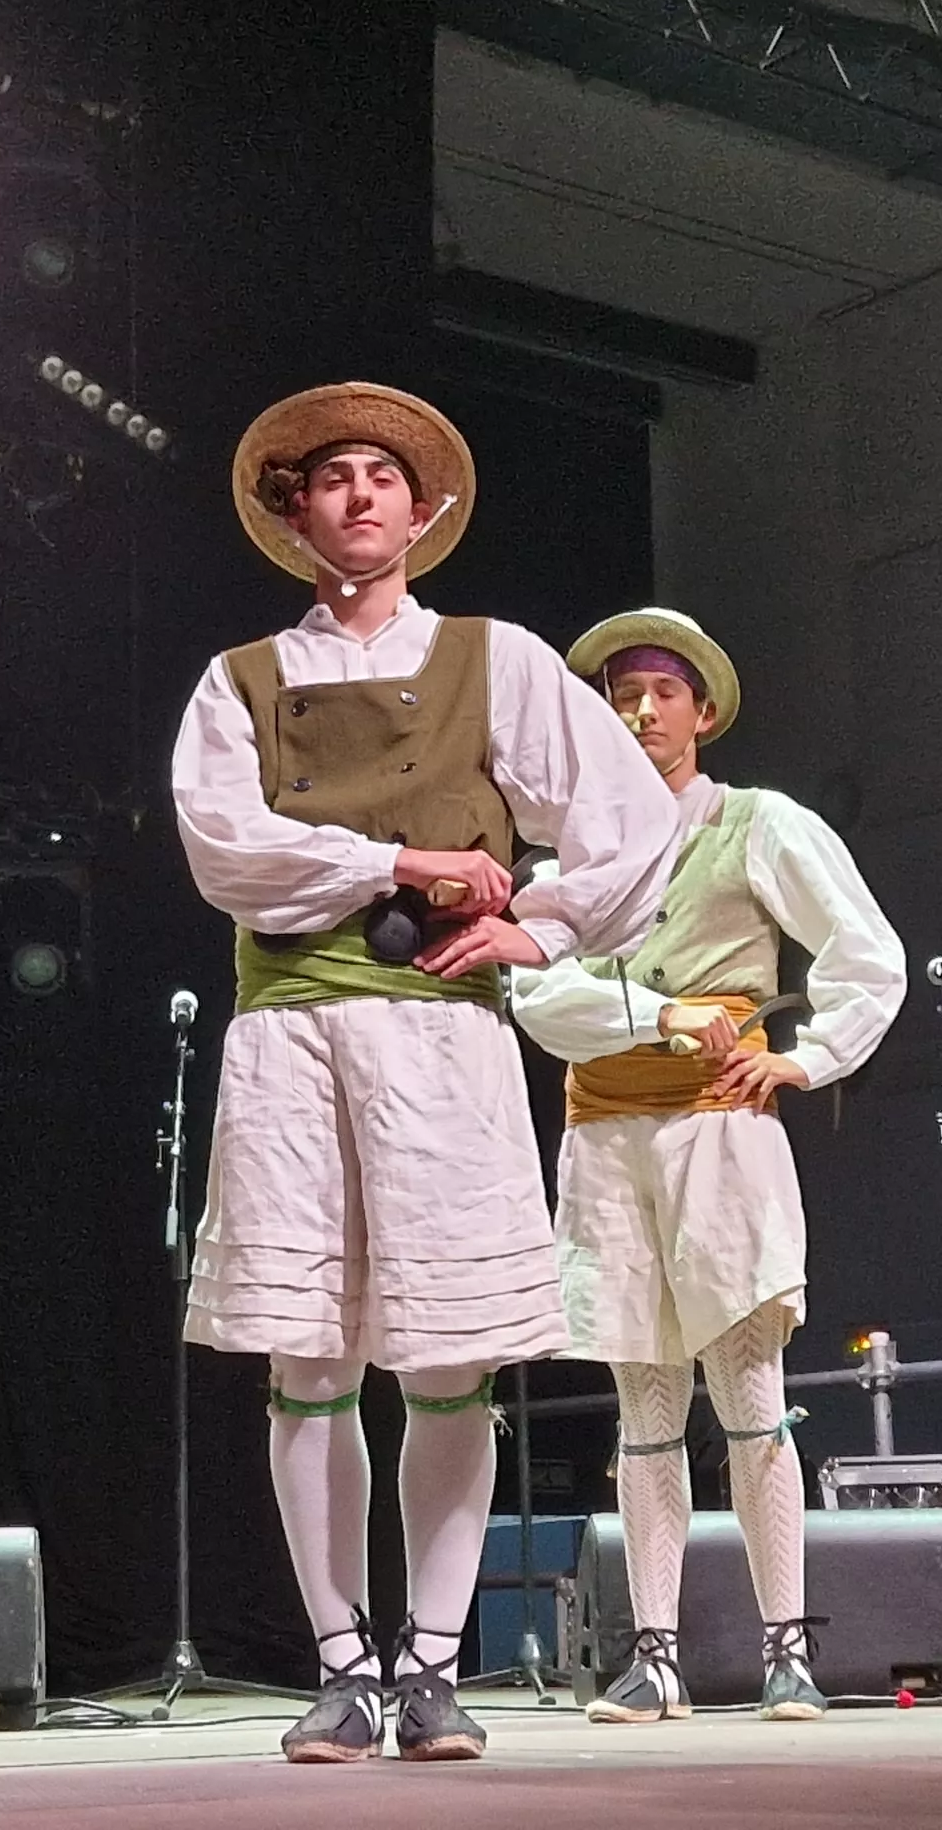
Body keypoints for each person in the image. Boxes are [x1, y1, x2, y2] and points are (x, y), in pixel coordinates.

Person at [172, 382, 676, 1763]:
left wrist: (542, 918)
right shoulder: (243, 681)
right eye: (329, 478)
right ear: (294, 513)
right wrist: (400, 861)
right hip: (292, 1035)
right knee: (311, 1348)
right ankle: (343, 1667)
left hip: (441, 1037)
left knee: (448, 1356)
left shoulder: (495, 660)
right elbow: (229, 850)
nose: (358, 496)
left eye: (381, 477)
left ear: (425, 509)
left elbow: (628, 820)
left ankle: (435, 1666)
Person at [501, 608, 903, 1724]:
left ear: (702, 711)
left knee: (748, 1390)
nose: (639, 711)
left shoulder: (755, 823)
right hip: (605, 1137)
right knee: (642, 1396)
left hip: (718, 1133)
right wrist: (657, 1012)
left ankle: (787, 1649)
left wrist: (806, 1057)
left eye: (661, 692)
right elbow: (535, 995)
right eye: (619, 694)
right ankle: (655, 1655)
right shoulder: (570, 860)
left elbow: (866, 953)